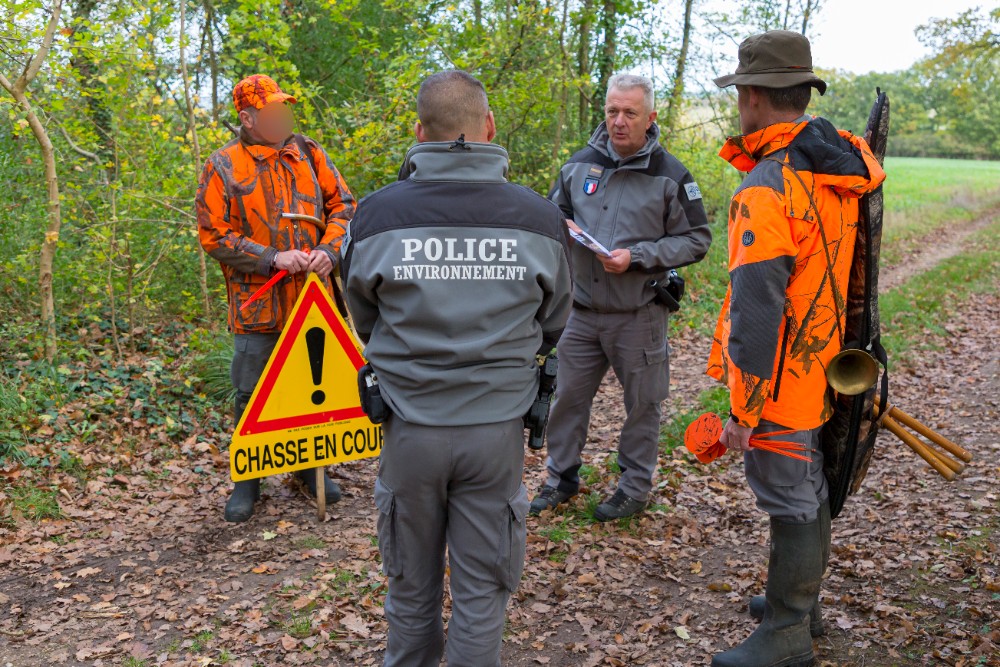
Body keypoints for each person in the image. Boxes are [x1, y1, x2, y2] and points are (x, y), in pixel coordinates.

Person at [341, 70, 572, 667]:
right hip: (495, 430)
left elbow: (363, 316)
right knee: (482, 593)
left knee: (410, 587)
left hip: (410, 427)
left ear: (420, 133)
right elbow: (555, 320)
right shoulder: (539, 218)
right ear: (489, 126)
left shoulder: (375, 216)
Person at [707, 31, 886, 667]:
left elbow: (757, 309)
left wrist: (743, 410)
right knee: (806, 480)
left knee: (789, 492)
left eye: (740, 93)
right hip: (824, 360)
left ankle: (786, 632)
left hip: (783, 373)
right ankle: (799, 607)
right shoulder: (834, 165)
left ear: (753, 96)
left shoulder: (768, 185)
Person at [530, 73, 712, 521]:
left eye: (630, 112)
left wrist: (638, 257)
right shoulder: (579, 165)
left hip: (639, 312)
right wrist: (560, 226)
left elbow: (697, 239)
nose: (619, 121)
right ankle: (560, 478)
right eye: (612, 111)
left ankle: (633, 488)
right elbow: (554, 214)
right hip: (581, 312)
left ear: (650, 118)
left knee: (642, 406)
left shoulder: (671, 175)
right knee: (566, 399)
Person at [196, 74, 356, 523]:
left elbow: (344, 206)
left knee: (313, 385)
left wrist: (329, 251)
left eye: (285, 107)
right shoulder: (222, 165)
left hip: (313, 300)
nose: (283, 116)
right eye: (272, 110)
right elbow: (213, 235)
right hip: (259, 306)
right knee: (251, 392)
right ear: (248, 118)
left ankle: (310, 471)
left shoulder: (309, 153)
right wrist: (271, 258)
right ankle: (247, 482)